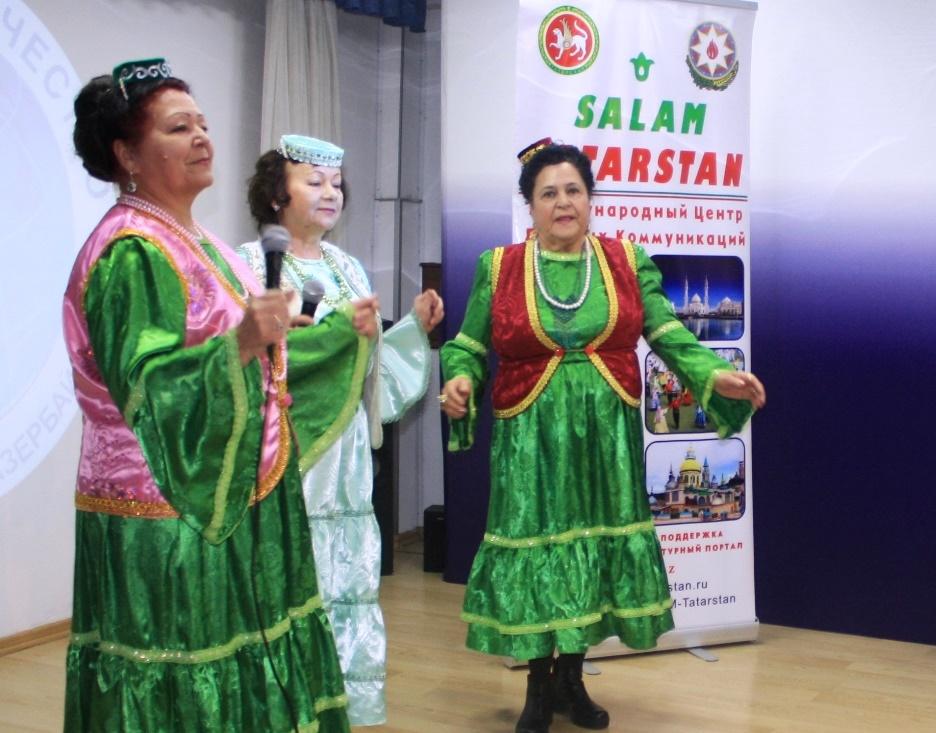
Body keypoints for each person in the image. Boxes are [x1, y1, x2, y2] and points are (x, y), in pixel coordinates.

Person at [64, 59, 375, 732]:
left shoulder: (199, 241)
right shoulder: (131, 251)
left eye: (203, 122)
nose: (203, 136)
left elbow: (244, 351)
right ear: (126, 153)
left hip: (226, 487)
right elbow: (148, 386)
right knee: (182, 666)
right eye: (180, 127)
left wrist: (303, 338)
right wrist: (240, 343)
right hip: (166, 508)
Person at [438, 140, 766, 733]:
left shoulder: (625, 260)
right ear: (530, 206)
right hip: (530, 439)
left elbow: (668, 331)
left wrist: (714, 374)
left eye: (574, 191)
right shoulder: (500, 267)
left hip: (604, 438)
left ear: (590, 199)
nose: (563, 203)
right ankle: (538, 685)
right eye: (549, 193)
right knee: (542, 550)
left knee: (592, 548)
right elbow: (467, 344)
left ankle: (572, 678)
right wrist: (459, 380)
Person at [238, 135, 444, 726]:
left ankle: (340, 705)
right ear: (278, 192)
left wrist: (409, 328)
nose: (330, 193)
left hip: (346, 452)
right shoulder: (249, 264)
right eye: (313, 181)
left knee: (346, 577)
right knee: (288, 573)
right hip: (285, 450)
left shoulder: (345, 267)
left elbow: (367, 358)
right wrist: (332, 337)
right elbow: (247, 359)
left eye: (336, 183)